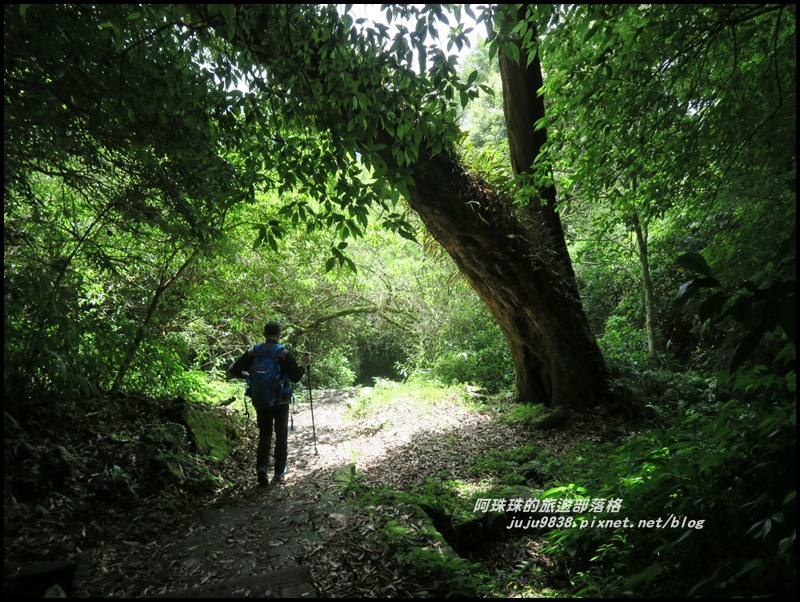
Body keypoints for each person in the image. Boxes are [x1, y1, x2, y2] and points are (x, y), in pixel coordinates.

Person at [228, 321, 311, 487]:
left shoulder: (253, 352)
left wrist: (249, 375)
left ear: (264, 334)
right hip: (280, 400)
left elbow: (233, 369)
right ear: (279, 334)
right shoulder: (282, 353)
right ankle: (279, 473)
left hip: (261, 399)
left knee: (265, 434)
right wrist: (304, 364)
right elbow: (295, 377)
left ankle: (262, 469)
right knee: (281, 435)